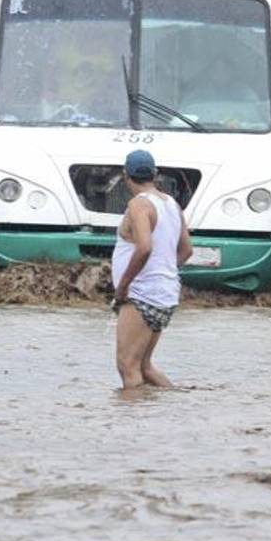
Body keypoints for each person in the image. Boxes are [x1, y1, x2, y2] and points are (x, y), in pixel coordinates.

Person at [112, 149, 193, 390]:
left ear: (125, 175)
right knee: (144, 366)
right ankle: (173, 405)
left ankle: (133, 423)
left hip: (141, 294)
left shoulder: (139, 205)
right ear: (155, 174)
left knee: (127, 365)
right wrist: (164, 271)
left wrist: (123, 286)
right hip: (165, 293)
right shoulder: (171, 204)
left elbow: (144, 247)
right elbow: (186, 250)